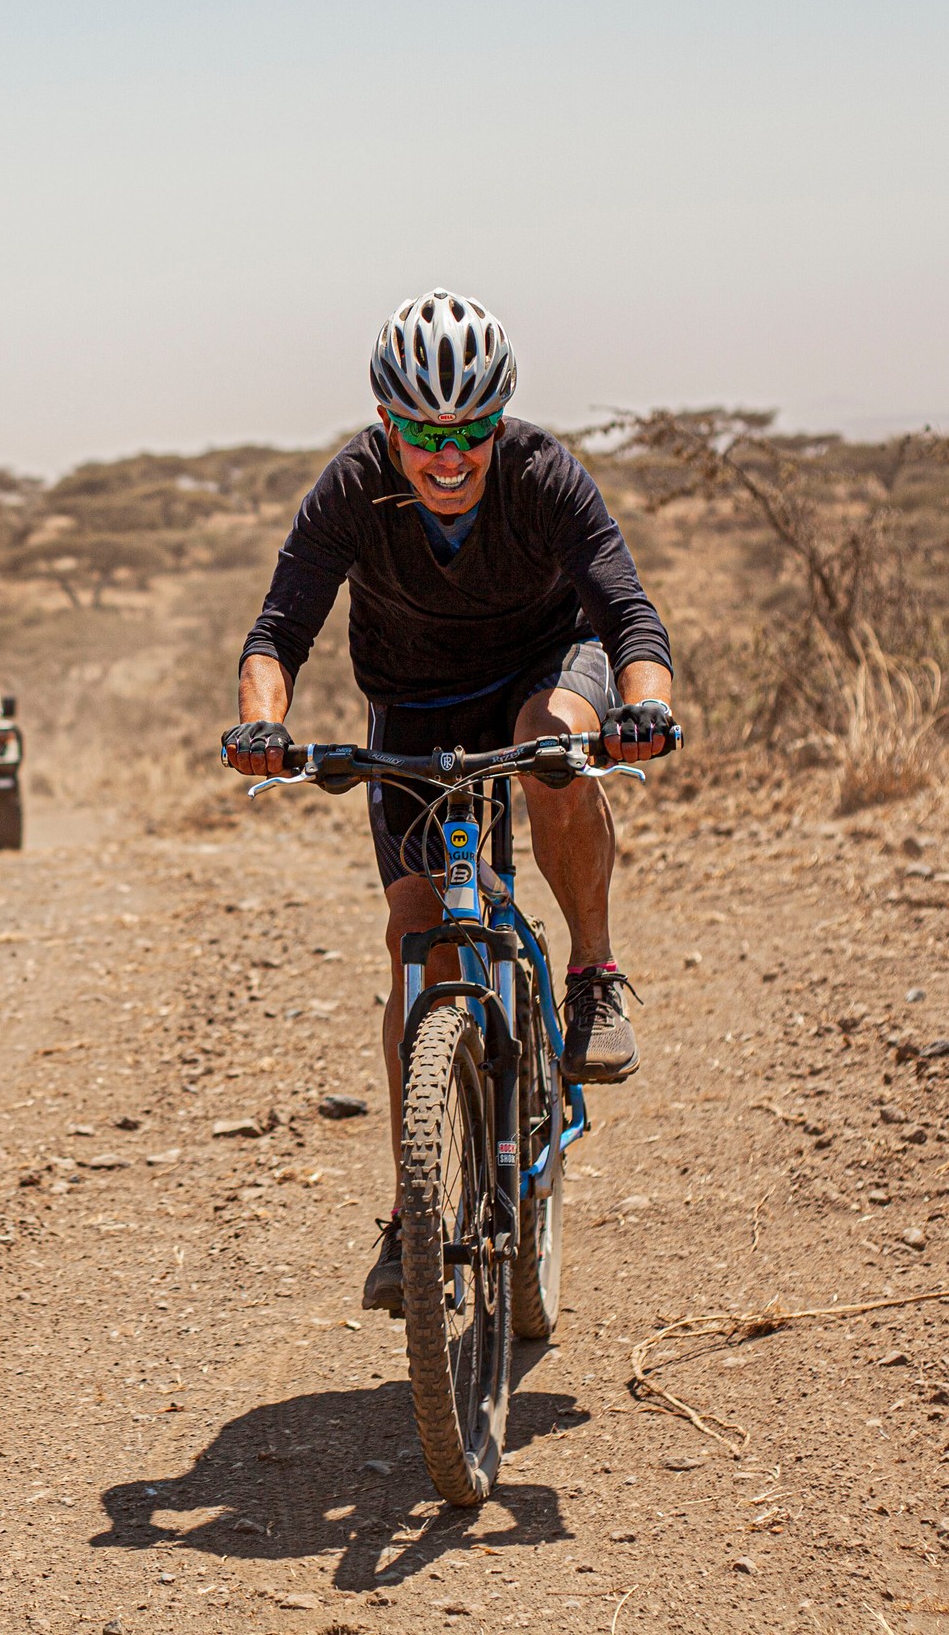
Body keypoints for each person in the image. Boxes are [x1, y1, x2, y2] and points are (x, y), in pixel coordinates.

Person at [221, 289, 677, 1316]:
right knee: (413, 934)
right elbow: (276, 632)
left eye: (470, 430)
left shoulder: (541, 475)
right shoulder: (350, 487)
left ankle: (593, 975)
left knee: (549, 746)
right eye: (423, 432)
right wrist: (260, 725)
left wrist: (643, 707)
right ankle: (412, 1213)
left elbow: (627, 614)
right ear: (388, 423)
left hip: (544, 668)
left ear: (497, 420)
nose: (447, 457)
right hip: (413, 702)